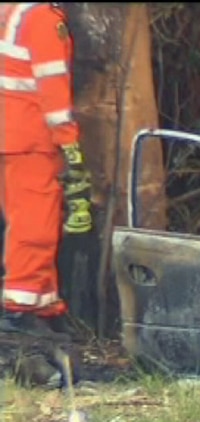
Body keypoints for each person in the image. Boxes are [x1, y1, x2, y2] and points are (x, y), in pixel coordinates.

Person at [0, 2, 93, 339]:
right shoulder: (42, 18)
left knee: (32, 219)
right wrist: (69, 143)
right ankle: (20, 310)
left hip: (11, 135)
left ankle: (44, 304)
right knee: (35, 225)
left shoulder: (12, 11)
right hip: (31, 138)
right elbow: (52, 87)